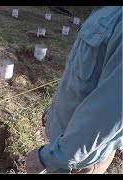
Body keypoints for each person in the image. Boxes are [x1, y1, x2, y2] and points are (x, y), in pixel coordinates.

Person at [26, 6, 122, 174]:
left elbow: (110, 110)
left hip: (74, 162)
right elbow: (82, 79)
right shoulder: (106, 10)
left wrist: (50, 158)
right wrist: (55, 109)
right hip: (65, 148)